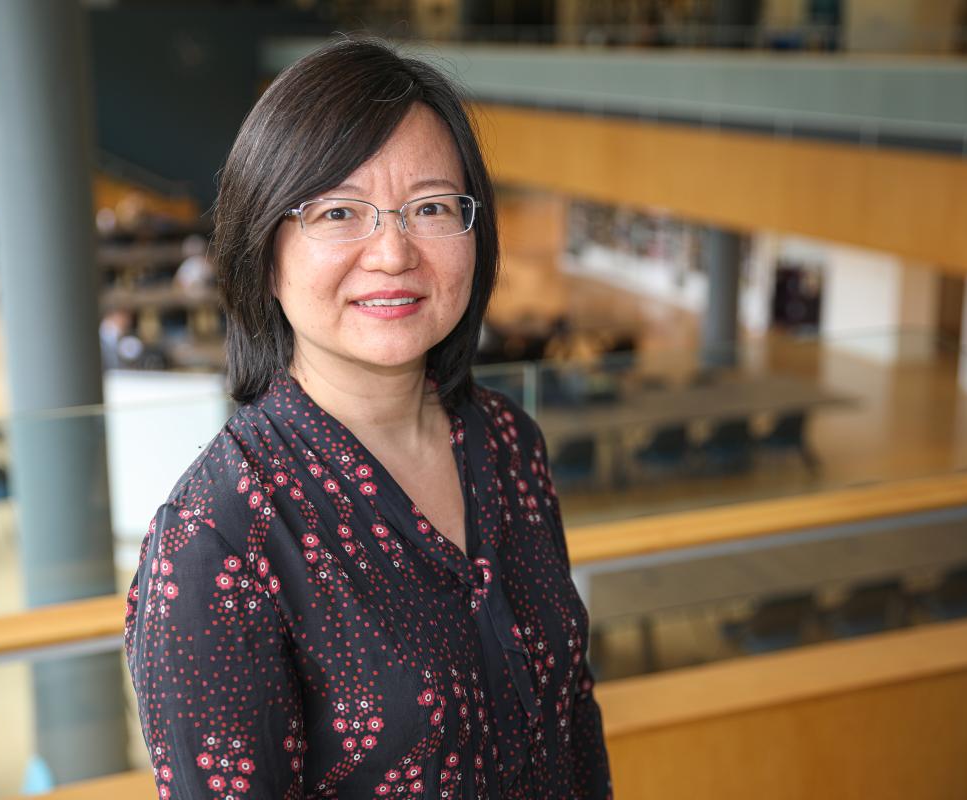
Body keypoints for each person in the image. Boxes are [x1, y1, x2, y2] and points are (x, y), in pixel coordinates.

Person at [125, 38, 612, 800]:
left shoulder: (508, 442)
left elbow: (573, 719)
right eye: (340, 212)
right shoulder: (216, 542)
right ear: (266, 246)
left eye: (430, 208)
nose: (393, 252)